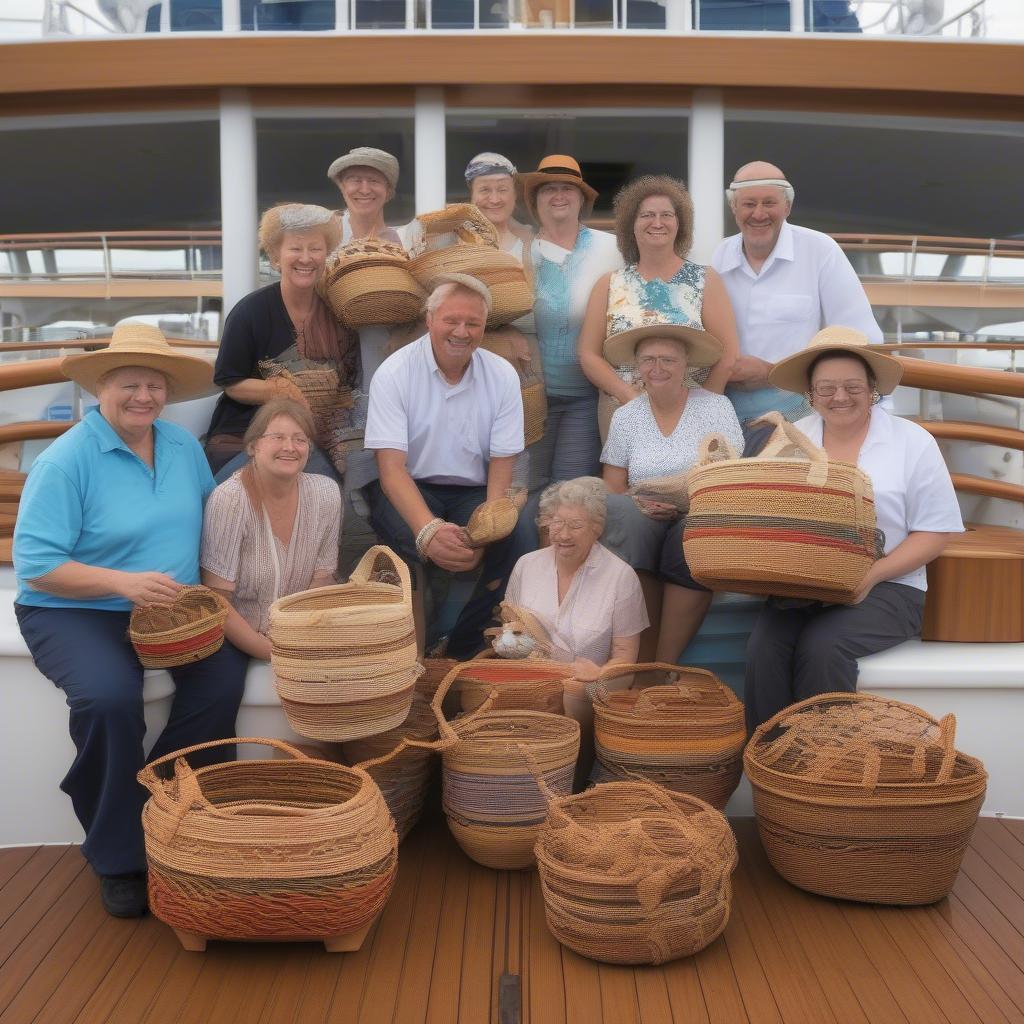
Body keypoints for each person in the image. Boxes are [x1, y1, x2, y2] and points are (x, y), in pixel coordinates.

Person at [13, 323, 248, 919]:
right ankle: (117, 856)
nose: (143, 396)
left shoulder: (179, 446)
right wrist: (122, 583)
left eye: (154, 385)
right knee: (108, 696)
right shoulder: (66, 459)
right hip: (74, 610)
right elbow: (38, 566)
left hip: (170, 611)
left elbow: (207, 522)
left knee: (222, 678)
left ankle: (163, 803)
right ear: (100, 389)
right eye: (128, 385)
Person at [744, 326, 964, 733]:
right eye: (826, 388)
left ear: (873, 388)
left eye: (852, 387)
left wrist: (872, 574)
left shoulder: (912, 441)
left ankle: (828, 769)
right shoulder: (790, 439)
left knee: (824, 648)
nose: (839, 397)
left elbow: (936, 532)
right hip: (804, 584)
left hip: (890, 586)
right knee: (763, 649)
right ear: (809, 393)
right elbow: (770, 518)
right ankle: (770, 766)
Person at [363, 275, 525, 657]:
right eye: (451, 320)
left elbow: (502, 465)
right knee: (404, 539)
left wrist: (488, 527)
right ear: (429, 319)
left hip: (473, 489)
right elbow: (390, 470)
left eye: (473, 323)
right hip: (410, 483)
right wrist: (429, 531)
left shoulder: (501, 374)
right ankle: (411, 656)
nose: (462, 332)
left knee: (512, 540)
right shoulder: (395, 372)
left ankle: (463, 649)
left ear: (484, 327)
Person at [600, 323, 744, 664]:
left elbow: (730, 473)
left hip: (701, 509)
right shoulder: (626, 416)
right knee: (630, 523)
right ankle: (642, 660)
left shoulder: (716, 406)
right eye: (648, 359)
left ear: (687, 364)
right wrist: (638, 504)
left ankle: (662, 664)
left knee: (689, 535)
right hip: (644, 512)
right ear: (637, 365)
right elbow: (613, 485)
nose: (657, 368)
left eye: (668, 359)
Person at [712, 160, 883, 427]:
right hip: (726, 414)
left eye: (769, 203)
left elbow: (861, 338)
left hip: (803, 414)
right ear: (734, 208)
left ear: (787, 207)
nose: (758, 214)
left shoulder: (820, 250)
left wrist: (772, 373)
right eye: (748, 204)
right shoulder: (717, 258)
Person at [577, 175, 739, 443]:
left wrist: (703, 407)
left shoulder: (705, 280)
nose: (657, 222)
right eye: (647, 215)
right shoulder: (608, 284)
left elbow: (728, 355)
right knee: (622, 485)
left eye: (667, 215)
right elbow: (589, 355)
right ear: (631, 224)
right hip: (624, 410)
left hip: (693, 411)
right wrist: (627, 395)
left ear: (680, 224)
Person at [204, 203, 356, 480]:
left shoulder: (339, 312)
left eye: (315, 248)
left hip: (314, 438)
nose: (306, 258)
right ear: (275, 257)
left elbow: (348, 387)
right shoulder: (250, 311)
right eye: (296, 249)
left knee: (351, 479)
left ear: (327, 254)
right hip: (244, 436)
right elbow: (229, 381)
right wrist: (282, 390)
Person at [201, 399, 341, 661]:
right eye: (277, 437)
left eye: (300, 439)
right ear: (253, 446)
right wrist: (273, 652)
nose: (289, 447)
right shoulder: (230, 499)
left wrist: (302, 643)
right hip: (238, 637)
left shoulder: (326, 493)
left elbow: (322, 581)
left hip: (301, 633)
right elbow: (217, 599)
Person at [519, 155, 622, 485]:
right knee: (526, 491)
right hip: (530, 397)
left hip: (586, 396)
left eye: (567, 188)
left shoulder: (612, 248)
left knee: (571, 489)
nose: (558, 195)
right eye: (548, 189)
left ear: (582, 199)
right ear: (535, 201)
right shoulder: (519, 254)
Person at [505, 476, 648, 681]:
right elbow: (510, 626)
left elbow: (625, 659)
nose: (564, 535)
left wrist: (597, 674)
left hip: (586, 689)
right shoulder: (526, 565)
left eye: (575, 525)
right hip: (528, 685)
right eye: (557, 523)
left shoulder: (621, 577)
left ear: (596, 528)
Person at [465, 151, 541, 492]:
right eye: (484, 190)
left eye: (502, 189)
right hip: (469, 357)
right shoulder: (455, 239)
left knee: (517, 448)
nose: (493, 199)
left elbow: (537, 303)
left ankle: (507, 515)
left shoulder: (530, 241)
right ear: (471, 194)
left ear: (514, 195)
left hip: (521, 363)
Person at [326, 146, 405, 247]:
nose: (365, 190)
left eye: (374, 180)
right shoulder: (322, 233)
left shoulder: (407, 241)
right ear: (342, 187)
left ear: (388, 190)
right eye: (356, 180)